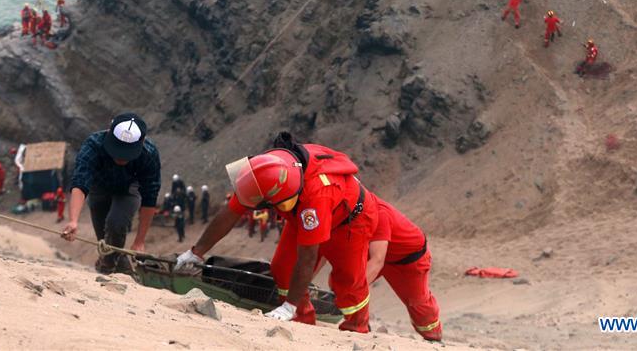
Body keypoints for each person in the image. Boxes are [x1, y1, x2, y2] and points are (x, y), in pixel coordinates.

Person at [176, 132, 379, 333]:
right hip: (304, 210)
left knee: (349, 281)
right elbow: (230, 212)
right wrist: (196, 252)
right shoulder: (264, 173)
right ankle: (301, 317)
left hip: (350, 221)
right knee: (282, 267)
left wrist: (289, 304)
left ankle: (356, 327)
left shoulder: (314, 198)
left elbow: (308, 257)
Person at [61, 112, 161, 274]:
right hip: (98, 188)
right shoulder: (93, 145)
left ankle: (108, 269)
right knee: (105, 241)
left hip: (129, 189)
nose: (120, 157)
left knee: (116, 223)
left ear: (141, 142)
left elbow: (150, 196)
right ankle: (114, 266)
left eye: (126, 152)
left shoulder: (149, 154)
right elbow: (80, 182)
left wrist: (139, 241)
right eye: (117, 149)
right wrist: (73, 221)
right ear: (109, 133)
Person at [367, 199, 442, 341]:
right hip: (380, 252)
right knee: (344, 278)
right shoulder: (352, 207)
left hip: (409, 261)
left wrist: (353, 290)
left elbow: (377, 261)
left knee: (419, 307)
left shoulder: (379, 213)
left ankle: (434, 337)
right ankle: (358, 324)